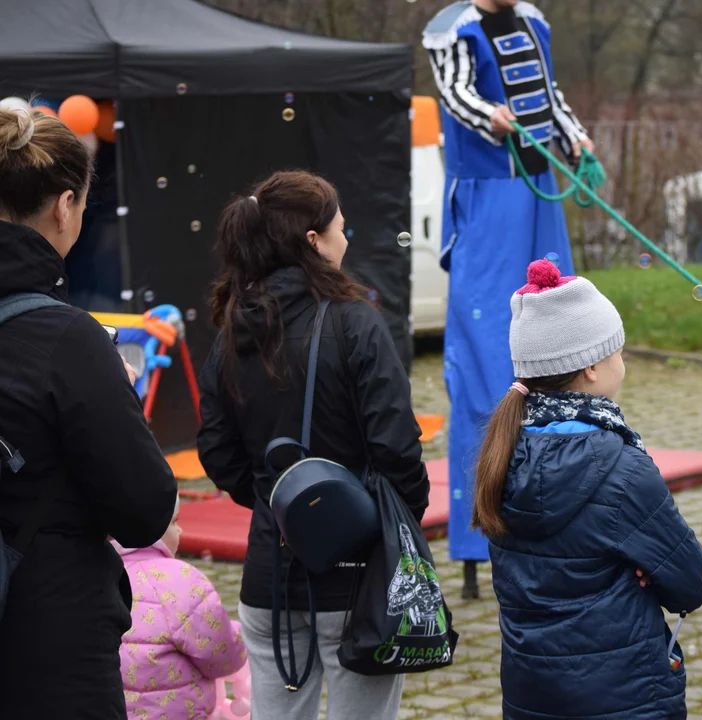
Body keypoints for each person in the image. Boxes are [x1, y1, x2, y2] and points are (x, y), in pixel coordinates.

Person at [196, 170, 430, 720]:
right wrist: (396, 529)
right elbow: (397, 447)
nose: (347, 240)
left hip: (268, 574)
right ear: (314, 242)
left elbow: (217, 451)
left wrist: (277, 506)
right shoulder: (356, 323)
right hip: (358, 576)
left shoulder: (231, 331)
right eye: (340, 228)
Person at [472, 259, 702, 720]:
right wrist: (643, 573)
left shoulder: (500, 454)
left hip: (531, 692)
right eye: (616, 351)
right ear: (590, 368)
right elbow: (691, 582)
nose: (623, 363)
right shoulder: (623, 468)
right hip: (626, 696)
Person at [0, 105, 178, 719]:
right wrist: (116, 397)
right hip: (47, 639)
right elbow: (144, 509)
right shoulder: (69, 340)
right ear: (64, 205)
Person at [423, 0, 595, 594]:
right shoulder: (452, 31)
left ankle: (568, 501)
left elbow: (550, 96)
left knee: (563, 332)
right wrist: (492, 117)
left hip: (537, 188)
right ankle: (481, 532)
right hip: (489, 198)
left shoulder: (534, 19)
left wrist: (575, 140)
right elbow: (456, 97)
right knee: (488, 360)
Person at [113, 500, 247, 718]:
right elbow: (222, 656)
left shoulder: (94, 577)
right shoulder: (183, 580)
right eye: (175, 522)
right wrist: (240, 638)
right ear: (154, 528)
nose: (181, 530)